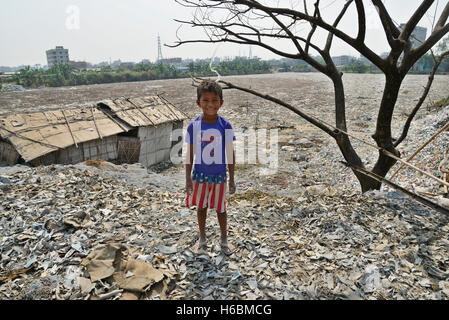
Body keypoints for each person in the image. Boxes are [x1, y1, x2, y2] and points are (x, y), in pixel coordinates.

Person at [184, 79, 236, 255]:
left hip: (220, 176)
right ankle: (202, 238)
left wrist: (232, 179)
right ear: (198, 102)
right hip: (200, 176)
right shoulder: (194, 126)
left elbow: (230, 154)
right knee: (201, 207)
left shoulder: (225, 125)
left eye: (215, 100)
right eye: (206, 100)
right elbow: (190, 155)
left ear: (221, 103)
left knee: (221, 209)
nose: (210, 104)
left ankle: (224, 239)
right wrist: (188, 180)